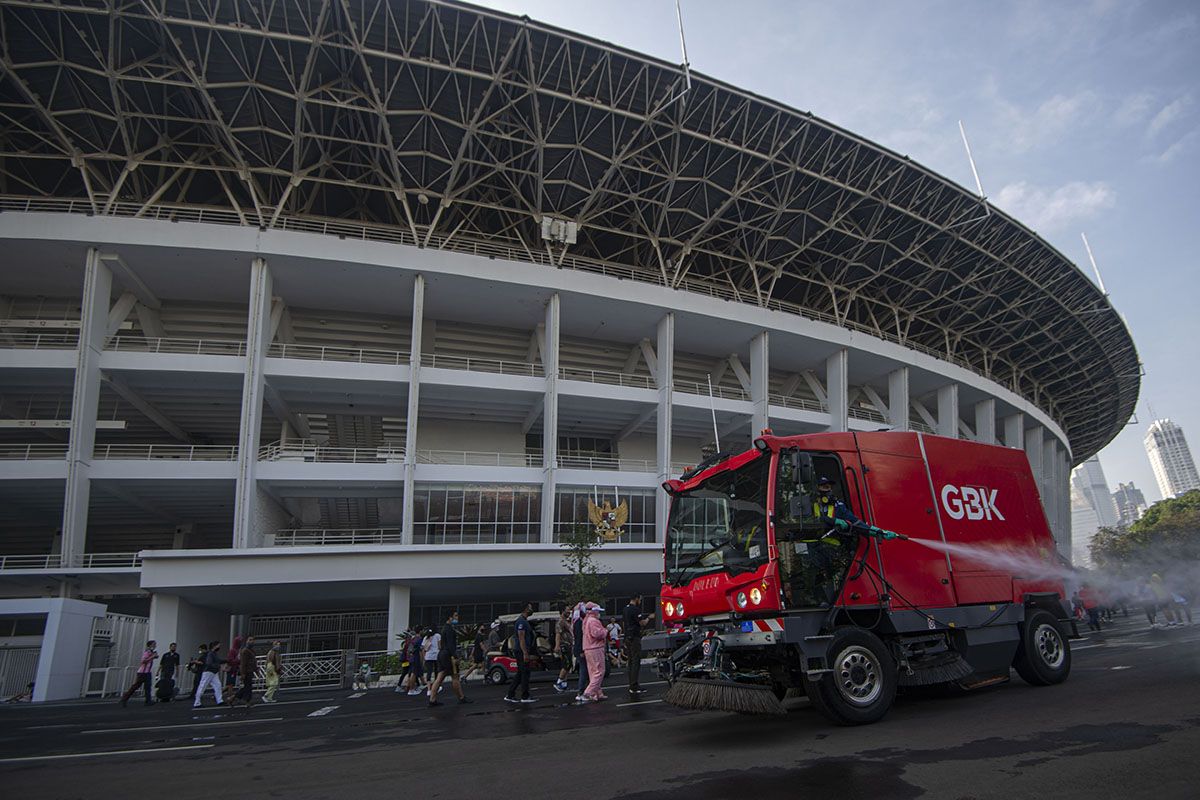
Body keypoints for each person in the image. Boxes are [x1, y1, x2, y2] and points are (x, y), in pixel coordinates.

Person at [427, 610, 472, 706]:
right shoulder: (450, 630)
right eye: (455, 616)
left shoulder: (444, 629)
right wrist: (455, 657)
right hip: (448, 656)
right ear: (450, 618)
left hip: (441, 654)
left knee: (439, 677)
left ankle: (432, 699)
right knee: (455, 676)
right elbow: (451, 645)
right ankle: (461, 697)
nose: (457, 618)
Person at [504, 602, 537, 704]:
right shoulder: (521, 622)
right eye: (530, 607)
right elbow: (521, 638)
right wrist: (525, 653)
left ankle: (510, 694)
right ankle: (525, 696)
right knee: (525, 673)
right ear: (526, 609)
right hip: (521, 651)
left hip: (522, 650)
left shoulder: (524, 621)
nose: (532, 609)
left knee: (521, 673)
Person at [622, 597, 650, 696]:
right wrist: (648, 618)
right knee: (636, 660)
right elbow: (642, 623)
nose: (640, 601)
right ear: (636, 599)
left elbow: (624, 623)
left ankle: (631, 684)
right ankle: (634, 685)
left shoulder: (625, 609)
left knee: (630, 661)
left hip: (627, 637)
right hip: (634, 637)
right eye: (640, 599)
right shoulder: (635, 609)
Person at [581, 603, 609, 702]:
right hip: (595, 648)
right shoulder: (593, 621)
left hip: (588, 648)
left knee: (593, 672)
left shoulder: (586, 620)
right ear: (593, 611)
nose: (599, 613)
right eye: (598, 611)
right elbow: (597, 634)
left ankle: (596, 693)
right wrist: (605, 631)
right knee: (599, 671)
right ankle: (588, 692)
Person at [120, 640, 158, 707]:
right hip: (142, 672)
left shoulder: (151, 652)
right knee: (136, 686)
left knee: (148, 687)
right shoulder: (147, 652)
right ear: (150, 645)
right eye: (153, 644)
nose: (155, 646)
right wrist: (152, 657)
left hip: (147, 672)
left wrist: (154, 656)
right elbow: (143, 661)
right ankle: (124, 698)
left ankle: (148, 701)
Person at [193, 641, 224, 707]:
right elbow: (209, 663)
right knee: (202, 686)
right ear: (214, 646)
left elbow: (217, 661)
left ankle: (220, 700)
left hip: (213, 672)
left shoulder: (213, 653)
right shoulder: (211, 654)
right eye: (218, 645)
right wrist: (218, 665)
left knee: (218, 685)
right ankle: (197, 702)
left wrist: (226, 661)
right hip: (209, 672)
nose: (219, 647)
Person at [231, 636, 257, 707]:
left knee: (247, 687)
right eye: (250, 640)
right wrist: (243, 673)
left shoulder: (251, 650)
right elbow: (243, 663)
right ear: (246, 641)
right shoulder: (245, 651)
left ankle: (233, 698)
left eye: (253, 640)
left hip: (250, 670)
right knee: (248, 687)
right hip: (247, 671)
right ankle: (247, 701)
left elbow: (253, 661)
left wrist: (256, 669)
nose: (252, 641)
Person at [553, 608, 573, 693]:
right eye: (567, 611)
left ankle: (564, 684)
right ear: (562, 611)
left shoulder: (566, 621)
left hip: (569, 645)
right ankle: (559, 682)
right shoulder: (560, 622)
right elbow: (558, 634)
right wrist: (557, 646)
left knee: (569, 665)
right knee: (566, 664)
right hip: (564, 645)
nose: (568, 612)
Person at [572, 602, 588, 701]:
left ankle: (585, 691)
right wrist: (582, 650)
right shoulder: (579, 623)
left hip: (580, 649)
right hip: (581, 649)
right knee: (583, 671)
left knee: (584, 670)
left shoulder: (577, 621)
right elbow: (579, 638)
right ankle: (581, 692)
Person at [422, 626, 441, 693]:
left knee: (429, 672)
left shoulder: (426, 637)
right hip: (436, 656)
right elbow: (439, 646)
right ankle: (437, 687)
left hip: (428, 657)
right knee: (437, 671)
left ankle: (429, 690)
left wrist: (424, 658)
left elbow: (424, 649)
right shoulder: (437, 636)